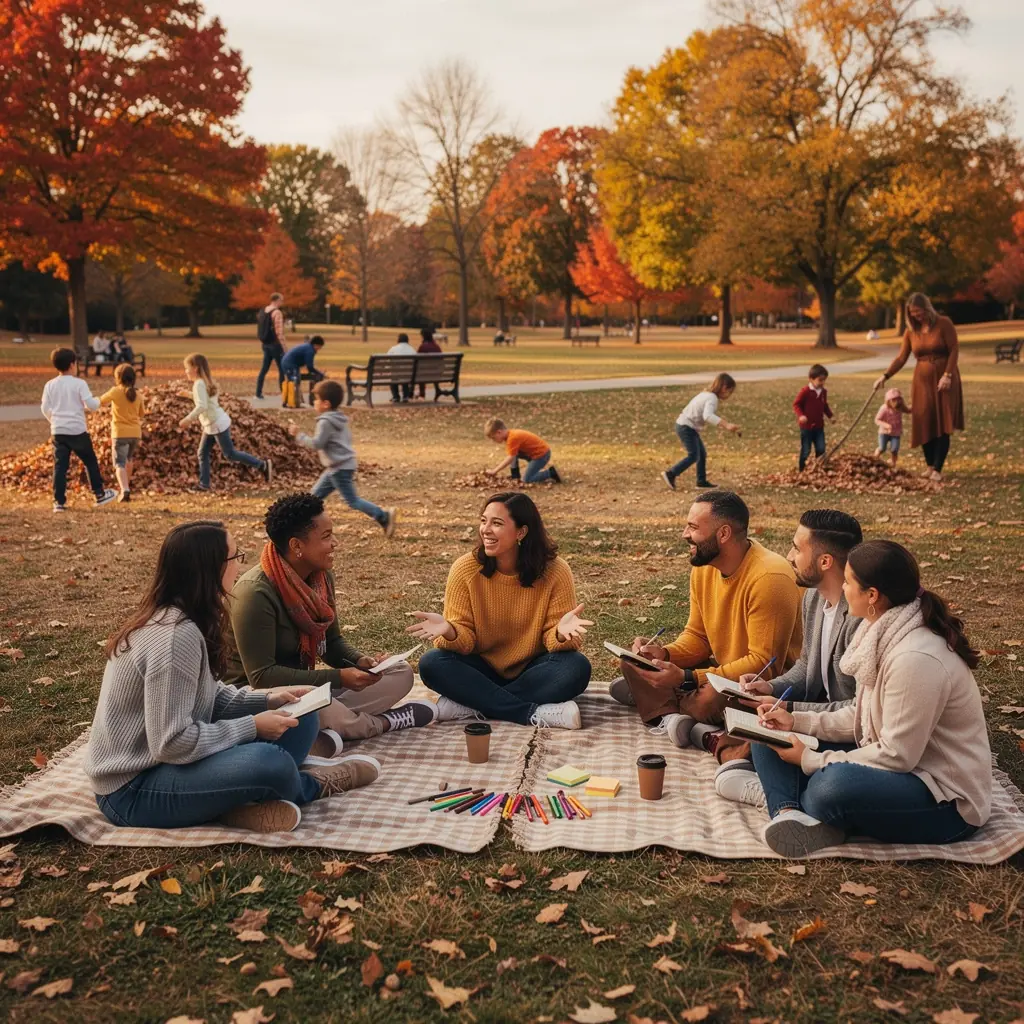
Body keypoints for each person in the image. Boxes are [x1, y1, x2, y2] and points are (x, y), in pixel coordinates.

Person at [85, 521, 382, 834]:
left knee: (303, 714)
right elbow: (170, 743)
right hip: (134, 789)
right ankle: (308, 785)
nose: (241, 565)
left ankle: (235, 804)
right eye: (235, 557)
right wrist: (252, 726)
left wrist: (270, 698)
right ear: (211, 568)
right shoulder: (175, 636)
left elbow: (208, 697)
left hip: (172, 766)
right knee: (271, 763)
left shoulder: (190, 617)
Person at [752, 540, 991, 857]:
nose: (843, 587)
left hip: (944, 800)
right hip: (894, 765)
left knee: (829, 787)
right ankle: (787, 814)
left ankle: (792, 800)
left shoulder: (915, 658)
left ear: (872, 596)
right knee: (768, 736)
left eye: (849, 581)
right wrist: (796, 721)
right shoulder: (880, 630)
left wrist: (811, 760)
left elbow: (897, 755)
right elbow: (860, 716)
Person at [225, 495, 436, 751]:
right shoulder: (255, 593)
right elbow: (262, 677)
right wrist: (339, 678)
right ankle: (380, 723)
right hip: (261, 698)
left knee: (400, 673)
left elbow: (332, 642)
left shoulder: (321, 578)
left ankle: (330, 727)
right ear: (296, 546)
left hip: (306, 689)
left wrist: (361, 661)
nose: (335, 543)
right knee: (322, 709)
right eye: (326, 536)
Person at [609, 490, 801, 752]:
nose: (684, 535)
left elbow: (762, 666)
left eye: (693, 527)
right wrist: (665, 654)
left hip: (755, 685)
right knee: (633, 662)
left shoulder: (769, 577)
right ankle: (673, 714)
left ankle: (663, 705)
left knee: (708, 699)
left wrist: (687, 678)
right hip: (721, 669)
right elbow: (698, 637)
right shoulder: (703, 567)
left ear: (723, 534)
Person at [715, 509, 863, 808]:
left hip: (850, 730)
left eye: (797, 547)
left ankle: (780, 802)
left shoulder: (860, 618)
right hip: (820, 715)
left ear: (825, 561)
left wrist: (789, 709)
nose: (789, 556)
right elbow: (807, 666)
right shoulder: (813, 598)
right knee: (760, 725)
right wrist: (770, 688)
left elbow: (863, 711)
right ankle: (779, 789)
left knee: (767, 734)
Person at [410, 492, 592, 729]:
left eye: (496, 523)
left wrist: (559, 633)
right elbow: (464, 643)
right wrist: (450, 631)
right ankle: (531, 713)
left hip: (533, 669)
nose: (485, 529)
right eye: (483, 521)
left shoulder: (555, 571)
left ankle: (473, 704)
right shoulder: (465, 569)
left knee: (576, 667)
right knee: (432, 663)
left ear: (521, 532)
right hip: (480, 669)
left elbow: (555, 643)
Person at [287, 380, 396, 537]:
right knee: (313, 497)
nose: (314, 402)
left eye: (316, 399)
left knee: (352, 501)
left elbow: (317, 444)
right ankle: (303, 527)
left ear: (326, 403)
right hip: (338, 466)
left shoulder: (325, 422)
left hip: (339, 468)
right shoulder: (339, 418)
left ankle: (383, 516)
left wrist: (299, 435)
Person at [874, 293, 963, 483]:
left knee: (942, 423)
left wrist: (947, 375)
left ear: (927, 308)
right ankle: (929, 465)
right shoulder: (910, 331)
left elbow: (954, 349)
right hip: (922, 382)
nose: (917, 316)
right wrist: (885, 376)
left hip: (944, 380)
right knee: (923, 420)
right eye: (913, 314)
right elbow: (901, 358)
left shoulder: (944, 323)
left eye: (919, 312)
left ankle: (938, 468)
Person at [179, 354, 272, 491]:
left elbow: (202, 406)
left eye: (187, 368)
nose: (186, 371)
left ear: (195, 368)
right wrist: (188, 395)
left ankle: (262, 465)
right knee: (202, 452)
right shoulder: (205, 381)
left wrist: (188, 419)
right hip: (213, 423)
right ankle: (204, 485)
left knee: (230, 454)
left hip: (216, 423)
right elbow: (206, 400)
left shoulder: (198, 383)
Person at [41, 347, 117, 512]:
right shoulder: (79, 384)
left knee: (60, 466)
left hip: (58, 431)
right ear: (72, 365)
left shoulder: (50, 385)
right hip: (77, 431)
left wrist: (53, 421)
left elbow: (45, 408)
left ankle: (58, 502)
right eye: (75, 363)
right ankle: (99, 494)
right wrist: (98, 401)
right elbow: (90, 405)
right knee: (90, 461)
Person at [661, 373, 741, 491]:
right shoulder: (712, 398)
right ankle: (671, 474)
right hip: (686, 427)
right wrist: (726, 425)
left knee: (701, 454)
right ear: (724, 387)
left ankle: (701, 481)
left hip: (686, 425)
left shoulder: (706, 394)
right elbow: (707, 416)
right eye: (730, 392)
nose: (729, 395)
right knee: (694, 455)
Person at [99, 363, 144, 503]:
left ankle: (124, 490)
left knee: (119, 463)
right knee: (129, 460)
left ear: (118, 377)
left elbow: (101, 401)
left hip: (119, 433)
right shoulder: (138, 394)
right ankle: (126, 487)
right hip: (135, 433)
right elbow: (142, 414)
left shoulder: (115, 391)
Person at [484, 418, 561, 484]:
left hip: (541, 455)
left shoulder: (512, 438)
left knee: (527, 480)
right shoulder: (510, 435)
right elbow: (513, 455)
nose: (494, 441)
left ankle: (550, 473)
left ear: (499, 432)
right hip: (535, 454)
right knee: (513, 454)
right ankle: (515, 476)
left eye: (493, 438)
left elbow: (510, 458)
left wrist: (495, 471)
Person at [793, 364, 834, 472]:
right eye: (820, 380)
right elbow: (796, 404)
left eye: (824, 380)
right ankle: (802, 469)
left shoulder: (823, 392)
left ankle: (819, 469)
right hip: (806, 427)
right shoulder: (805, 391)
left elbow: (824, 405)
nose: (822, 383)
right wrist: (801, 415)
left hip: (819, 426)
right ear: (811, 379)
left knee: (821, 448)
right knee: (806, 449)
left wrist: (830, 416)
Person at [255, 293, 287, 400]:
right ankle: (284, 394)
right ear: (277, 300)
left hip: (265, 344)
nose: (282, 302)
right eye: (281, 300)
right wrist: (284, 347)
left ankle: (258, 393)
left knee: (264, 369)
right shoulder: (277, 312)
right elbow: (279, 332)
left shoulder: (263, 311)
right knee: (282, 369)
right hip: (275, 344)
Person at [281, 335, 326, 405]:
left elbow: (309, 365)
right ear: (316, 345)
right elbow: (310, 367)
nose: (319, 349)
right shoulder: (310, 350)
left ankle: (294, 401)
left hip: (290, 363)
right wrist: (320, 373)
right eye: (320, 347)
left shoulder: (308, 347)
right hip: (289, 364)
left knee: (295, 381)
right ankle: (291, 402)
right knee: (294, 383)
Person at [874, 387, 911, 467]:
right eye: (893, 400)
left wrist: (915, 407)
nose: (896, 402)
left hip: (896, 433)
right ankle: (874, 459)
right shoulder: (884, 409)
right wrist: (886, 425)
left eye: (898, 400)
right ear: (888, 401)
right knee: (882, 448)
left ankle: (893, 463)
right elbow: (877, 420)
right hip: (884, 433)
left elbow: (908, 411)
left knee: (894, 449)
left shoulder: (900, 407)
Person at [386, 333, 417, 403]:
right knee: (405, 376)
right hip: (409, 375)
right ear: (407, 340)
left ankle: (396, 396)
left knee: (394, 376)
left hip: (396, 374)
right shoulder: (412, 349)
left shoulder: (393, 348)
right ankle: (405, 396)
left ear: (398, 340)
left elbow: (387, 362)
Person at [417, 327, 442, 399]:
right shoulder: (437, 347)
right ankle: (437, 391)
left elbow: (417, 360)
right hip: (438, 373)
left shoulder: (423, 347)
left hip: (425, 373)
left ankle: (421, 394)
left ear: (423, 336)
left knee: (419, 372)